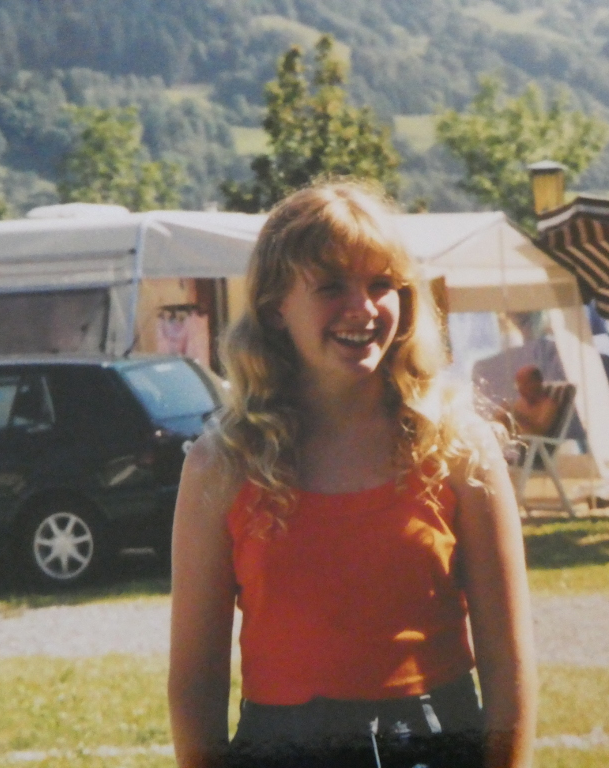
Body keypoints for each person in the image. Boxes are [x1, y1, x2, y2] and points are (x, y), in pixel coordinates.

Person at [168, 181, 537, 768]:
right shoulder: (221, 465)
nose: (362, 309)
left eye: (381, 284)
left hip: (437, 743)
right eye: (331, 286)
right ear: (275, 308)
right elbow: (195, 681)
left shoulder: (459, 448)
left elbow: (508, 665)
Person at [510, 365, 558, 437]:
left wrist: (519, 418)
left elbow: (539, 432)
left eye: (525, 384)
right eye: (518, 385)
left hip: (535, 445)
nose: (520, 389)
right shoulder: (521, 402)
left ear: (537, 383)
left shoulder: (548, 405)